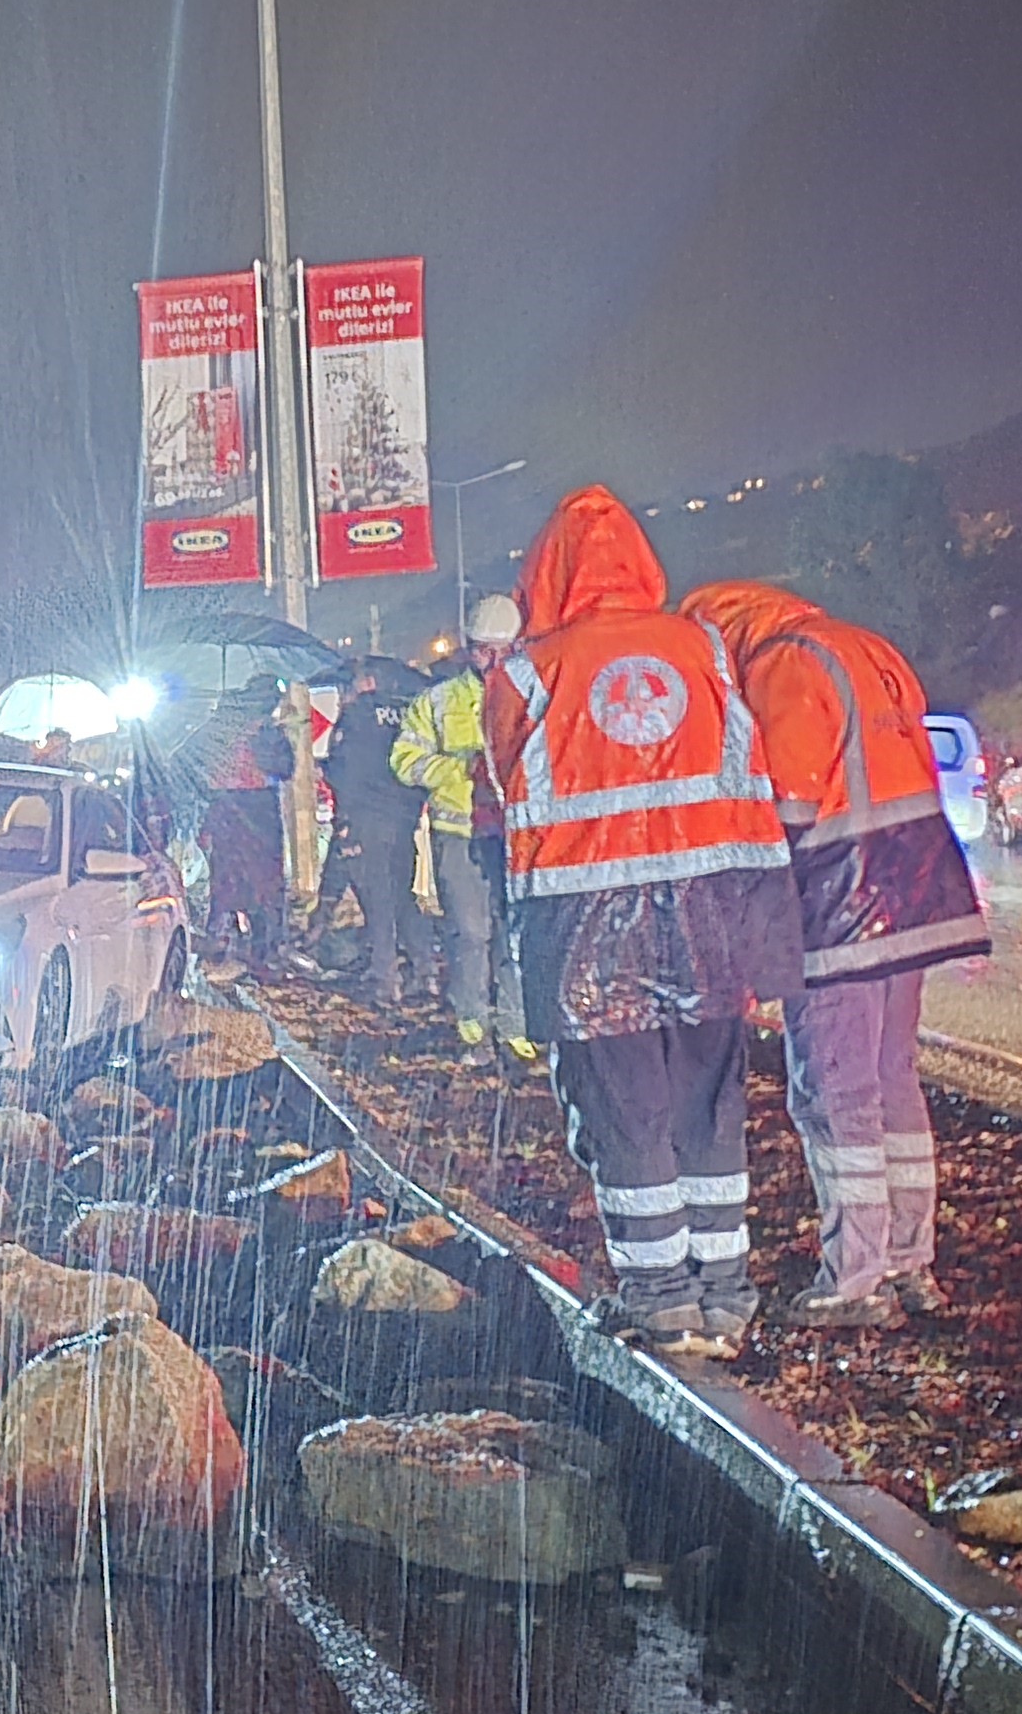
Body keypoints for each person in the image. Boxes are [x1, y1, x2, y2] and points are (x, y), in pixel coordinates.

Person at [485, 488, 803, 1354]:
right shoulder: (701, 645)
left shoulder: (527, 668)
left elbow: (501, 781)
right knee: (709, 1103)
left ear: (545, 571)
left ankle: (660, 1295)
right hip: (712, 910)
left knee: (625, 1110)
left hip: (587, 921)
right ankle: (727, 1292)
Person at [678, 581, 988, 1328]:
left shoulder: (783, 665)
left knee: (834, 1093)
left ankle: (854, 1279)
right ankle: (912, 1261)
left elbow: (786, 802)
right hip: (915, 885)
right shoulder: (866, 645)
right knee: (892, 1085)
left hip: (842, 900)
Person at [396, 596, 539, 1064]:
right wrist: (459, 770)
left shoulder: (532, 694)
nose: (492, 661)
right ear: (468, 649)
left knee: (512, 933)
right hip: (458, 833)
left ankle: (516, 1025)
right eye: (483, 650)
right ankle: (472, 1023)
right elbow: (405, 760)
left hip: (516, 835)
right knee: (471, 933)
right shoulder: (438, 701)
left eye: (502, 651)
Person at [316, 663, 429, 1009]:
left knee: (377, 900)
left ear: (366, 683)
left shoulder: (357, 715)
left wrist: (329, 777)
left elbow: (344, 770)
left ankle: (385, 980)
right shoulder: (407, 711)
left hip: (367, 818)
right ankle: (426, 973)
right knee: (402, 896)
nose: (344, 694)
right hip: (403, 818)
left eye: (347, 687)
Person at [197, 700, 296, 976]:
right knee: (260, 882)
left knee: (230, 880)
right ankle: (262, 949)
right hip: (255, 807)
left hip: (230, 805)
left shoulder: (216, 732)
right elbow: (286, 768)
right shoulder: (266, 732)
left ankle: (222, 943)